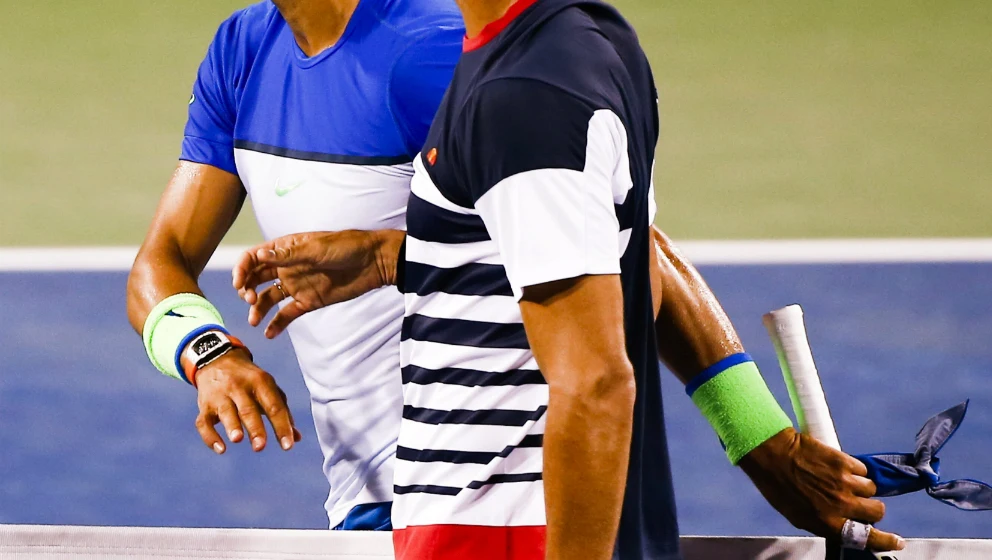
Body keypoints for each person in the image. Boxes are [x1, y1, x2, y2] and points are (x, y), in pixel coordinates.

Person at [230, 0, 908, 557]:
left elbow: (596, 384)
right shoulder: (580, 42)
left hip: (498, 531)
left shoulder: (520, 95)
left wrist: (759, 441)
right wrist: (394, 258)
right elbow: (610, 252)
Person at [125, 0, 463, 530]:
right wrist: (209, 353)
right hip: (367, 496)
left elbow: (572, 260)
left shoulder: (431, 52)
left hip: (482, 485)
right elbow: (161, 259)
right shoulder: (244, 47)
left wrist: (387, 256)